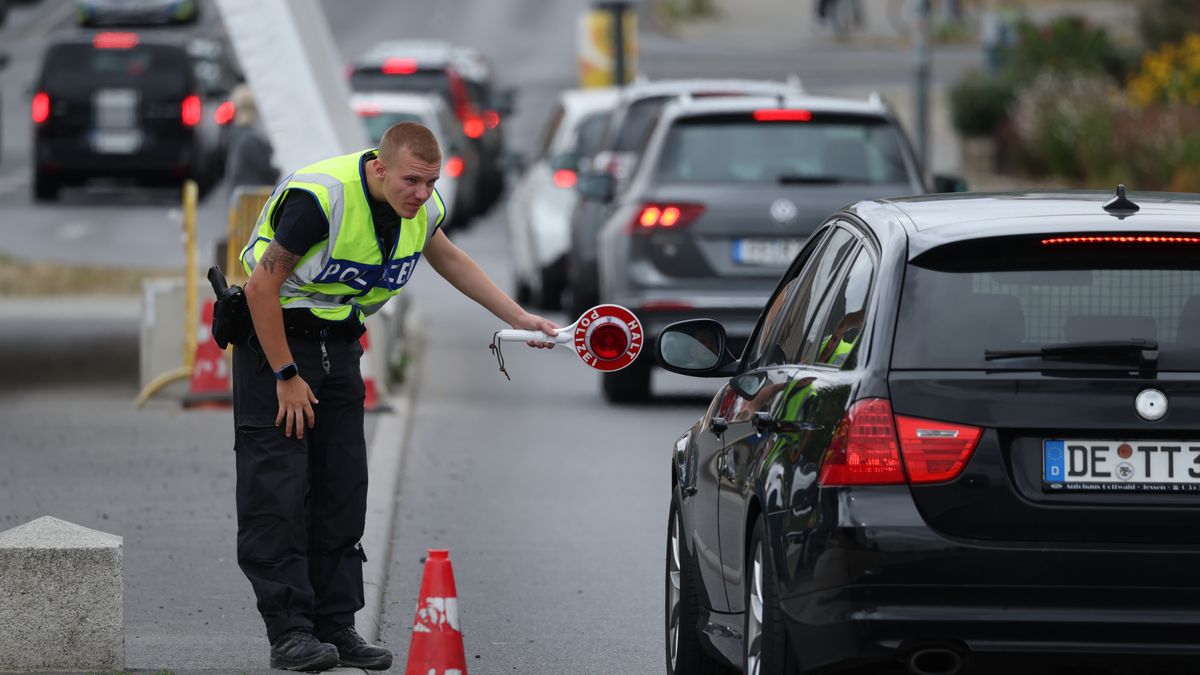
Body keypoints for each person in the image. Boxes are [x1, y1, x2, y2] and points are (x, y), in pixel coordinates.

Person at [233, 122, 558, 671]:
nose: (421, 193)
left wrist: (520, 319)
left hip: (339, 345)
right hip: (277, 344)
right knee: (279, 491)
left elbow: (451, 259)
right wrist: (285, 375)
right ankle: (290, 631)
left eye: (431, 182)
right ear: (379, 168)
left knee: (343, 488)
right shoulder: (324, 198)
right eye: (411, 180)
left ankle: (335, 627)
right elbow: (261, 287)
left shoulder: (420, 209)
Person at [223, 83, 279, 194]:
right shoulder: (251, 139)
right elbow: (269, 172)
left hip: (237, 203)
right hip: (257, 202)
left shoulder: (233, 135)